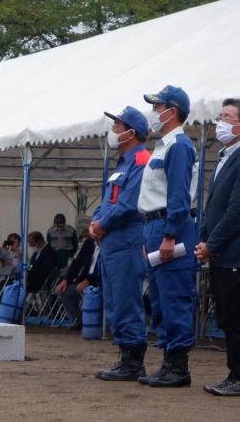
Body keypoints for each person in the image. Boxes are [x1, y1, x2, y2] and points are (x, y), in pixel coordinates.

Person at [194, 98, 240, 397]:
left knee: (237, 317)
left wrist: (213, 243)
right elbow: (214, 207)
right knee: (226, 316)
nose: (219, 123)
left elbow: (238, 212)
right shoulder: (228, 158)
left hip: (236, 253)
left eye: (226, 117)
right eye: (219, 116)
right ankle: (234, 373)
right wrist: (204, 238)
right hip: (223, 254)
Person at [137, 85, 197, 388]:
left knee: (174, 296)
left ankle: (178, 366)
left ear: (171, 112)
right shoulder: (163, 146)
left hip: (169, 225)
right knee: (160, 298)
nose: (154, 112)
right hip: (155, 225)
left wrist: (170, 233)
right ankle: (167, 363)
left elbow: (177, 195)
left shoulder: (179, 146)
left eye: (158, 107)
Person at [88, 106, 151, 381]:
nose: (113, 131)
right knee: (114, 300)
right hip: (113, 240)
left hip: (127, 239)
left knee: (126, 300)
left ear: (131, 133)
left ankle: (134, 362)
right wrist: (95, 220)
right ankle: (126, 357)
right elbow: (108, 200)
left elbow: (128, 204)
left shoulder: (141, 160)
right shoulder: (123, 162)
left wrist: (102, 224)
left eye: (117, 126)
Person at [54, 236, 98, 329]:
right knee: (65, 291)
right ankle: (79, 320)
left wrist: (90, 280)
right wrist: (66, 280)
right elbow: (77, 263)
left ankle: (96, 322)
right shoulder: (89, 242)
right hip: (86, 281)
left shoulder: (111, 243)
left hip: (102, 281)